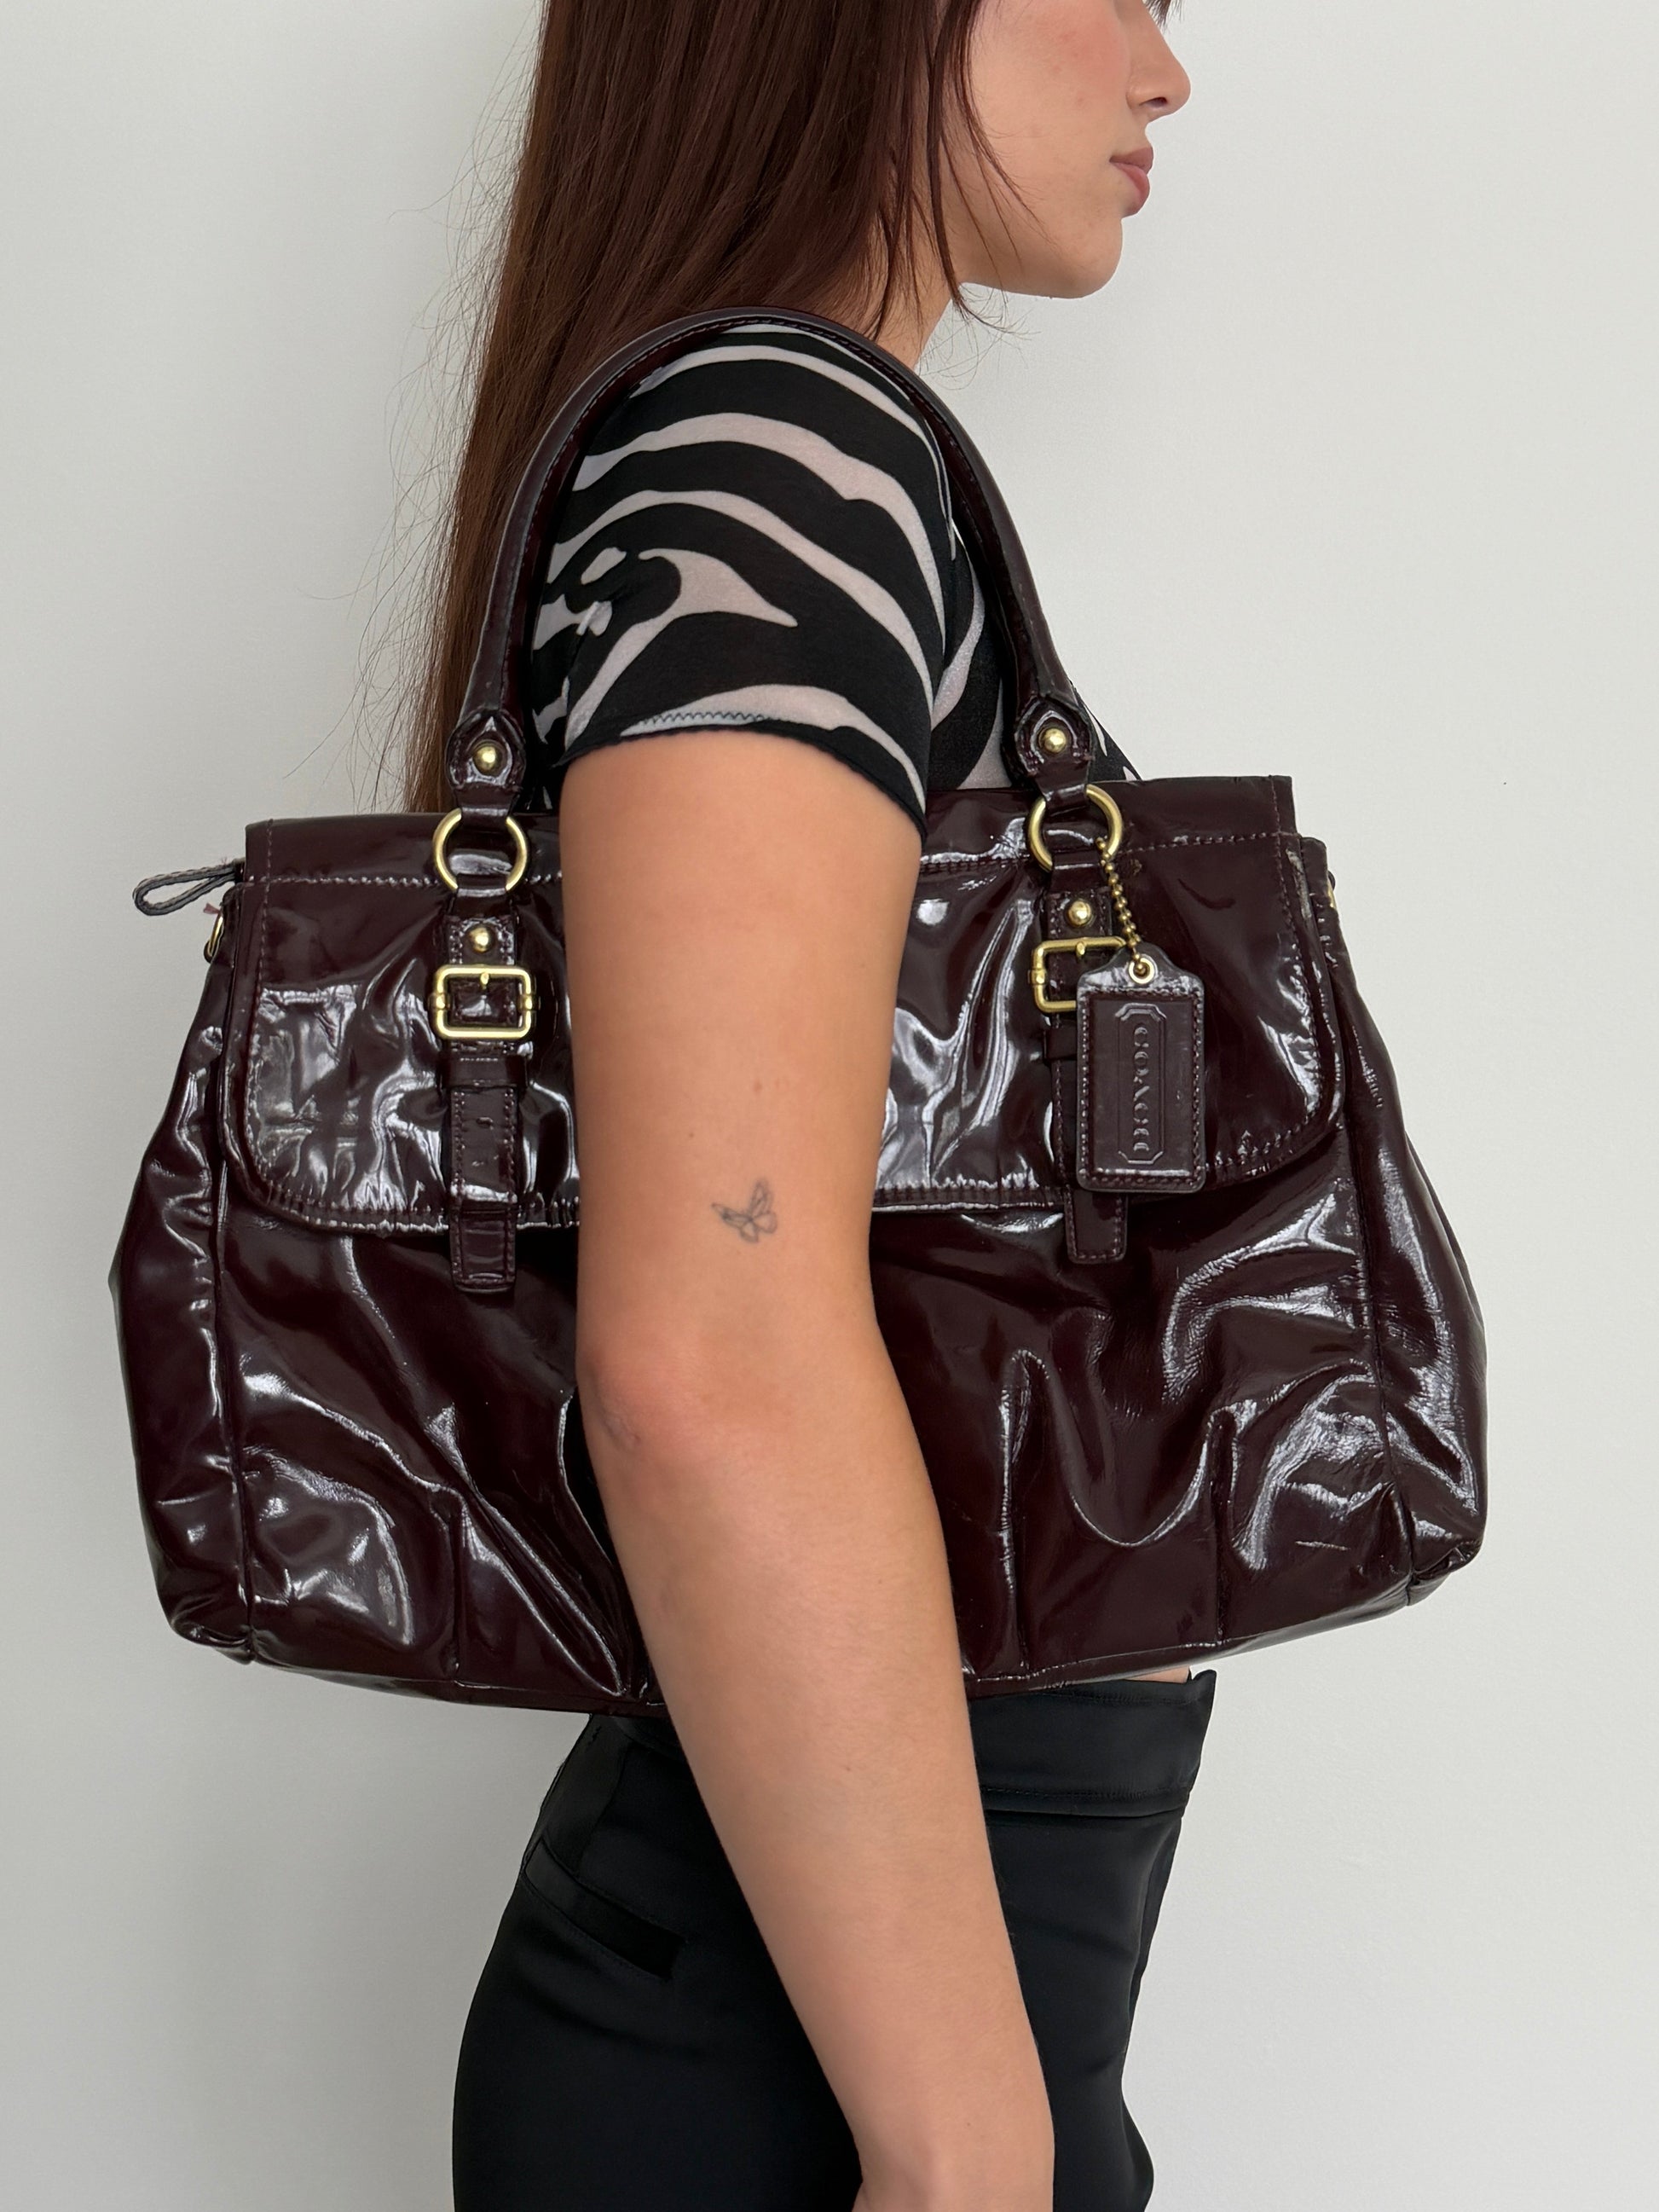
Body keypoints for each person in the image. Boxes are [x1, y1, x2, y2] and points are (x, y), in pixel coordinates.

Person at [419, 6, 1207, 2207]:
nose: (1167, 70)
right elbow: (709, 1354)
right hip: (840, 2083)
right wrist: (964, 2155)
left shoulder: (761, 447)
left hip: (850, 2025)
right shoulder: (777, 451)